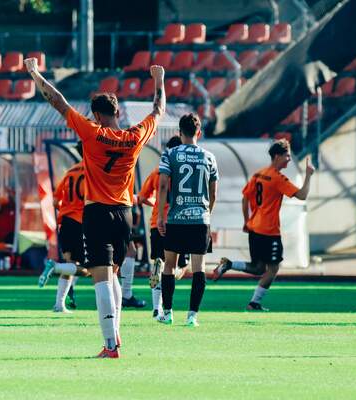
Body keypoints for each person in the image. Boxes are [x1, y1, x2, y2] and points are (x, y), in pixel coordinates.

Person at [26, 56, 165, 358]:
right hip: (125, 213)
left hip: (97, 212)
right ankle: (116, 336)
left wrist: (35, 74)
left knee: (100, 277)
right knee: (113, 275)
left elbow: (58, 101)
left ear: (98, 116)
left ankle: (110, 345)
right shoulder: (134, 137)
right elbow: (158, 110)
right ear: (117, 112)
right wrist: (159, 80)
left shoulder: (92, 132)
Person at [212, 139, 315, 311]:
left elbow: (245, 198)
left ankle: (229, 264)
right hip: (269, 231)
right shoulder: (278, 178)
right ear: (277, 156)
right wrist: (309, 175)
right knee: (273, 269)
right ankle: (254, 303)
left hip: (255, 228)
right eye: (287, 156)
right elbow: (302, 195)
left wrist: (247, 221)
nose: (289, 159)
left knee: (258, 268)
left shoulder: (258, 174)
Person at [156, 113, 218, 327]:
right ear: (198, 132)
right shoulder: (209, 157)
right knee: (198, 268)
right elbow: (213, 193)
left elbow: (162, 186)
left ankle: (167, 312)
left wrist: (160, 216)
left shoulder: (170, 154)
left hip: (176, 219)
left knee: (169, 266)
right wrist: (206, 214)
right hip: (200, 220)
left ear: (179, 132)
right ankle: (192, 316)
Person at [138, 135, 190, 319]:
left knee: (160, 263)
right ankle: (163, 275)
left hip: (157, 222)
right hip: (179, 223)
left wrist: (158, 204)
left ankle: (156, 309)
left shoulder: (157, 172)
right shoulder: (186, 172)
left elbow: (142, 197)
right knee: (181, 268)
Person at [38, 142, 90, 312]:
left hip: (66, 222)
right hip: (81, 223)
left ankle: (59, 304)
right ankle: (55, 267)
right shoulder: (93, 171)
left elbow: (55, 201)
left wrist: (68, 209)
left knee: (70, 263)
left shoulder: (70, 172)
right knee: (90, 269)